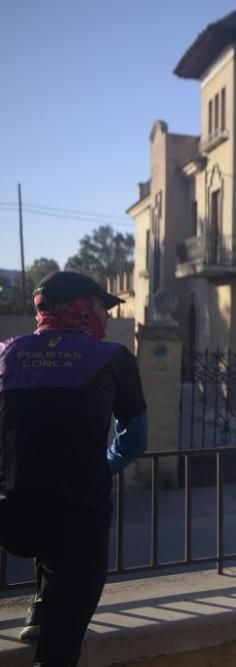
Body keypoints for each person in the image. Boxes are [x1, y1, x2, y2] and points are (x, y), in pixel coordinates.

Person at [0, 271, 148, 666]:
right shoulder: (113, 359)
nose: (106, 317)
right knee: (59, 653)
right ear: (83, 310)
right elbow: (135, 440)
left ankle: (38, 608)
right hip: (79, 518)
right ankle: (48, 615)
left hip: (11, 512)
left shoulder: (5, 354)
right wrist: (100, 467)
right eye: (102, 308)